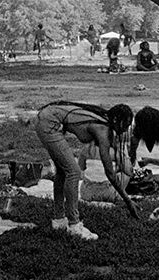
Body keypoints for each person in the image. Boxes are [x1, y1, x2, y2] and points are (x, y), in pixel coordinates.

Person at [35, 100, 138, 240]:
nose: (125, 129)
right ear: (115, 120)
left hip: (47, 118)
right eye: (125, 124)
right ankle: (74, 225)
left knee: (63, 171)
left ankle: (59, 220)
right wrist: (128, 200)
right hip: (49, 123)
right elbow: (109, 172)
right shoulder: (102, 129)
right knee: (73, 171)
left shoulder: (103, 121)